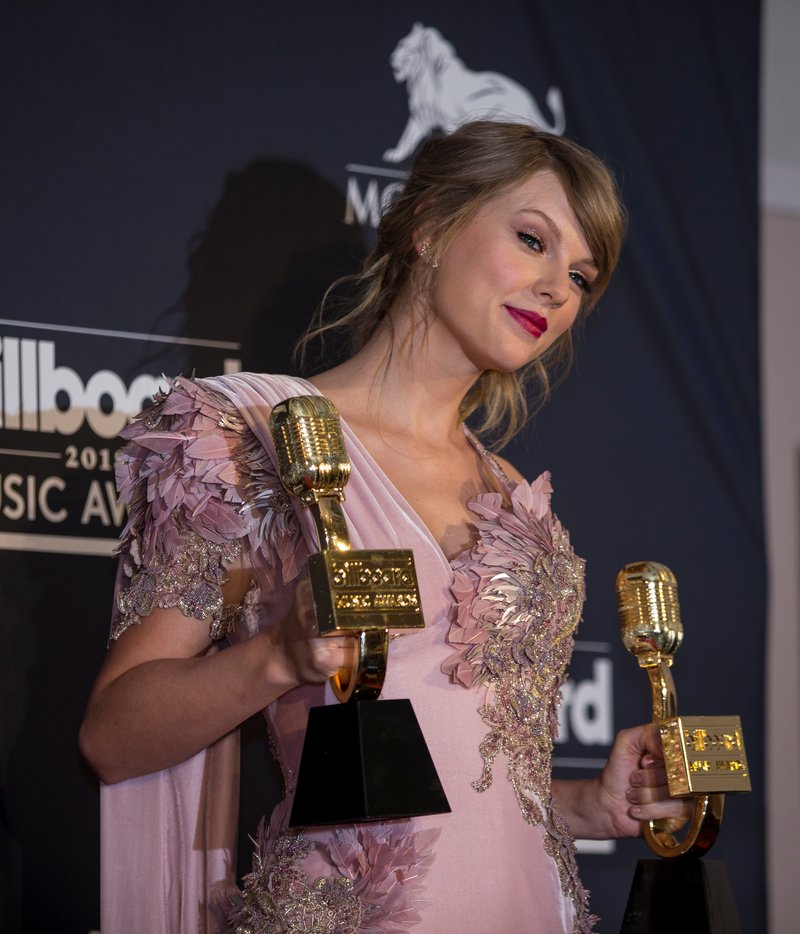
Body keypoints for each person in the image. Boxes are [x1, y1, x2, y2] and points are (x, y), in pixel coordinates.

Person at [80, 121, 687, 934]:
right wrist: (278, 656)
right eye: (532, 240)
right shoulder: (242, 435)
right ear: (432, 224)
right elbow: (114, 737)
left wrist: (588, 803)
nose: (557, 289)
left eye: (580, 276)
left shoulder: (514, 497)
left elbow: (483, 796)